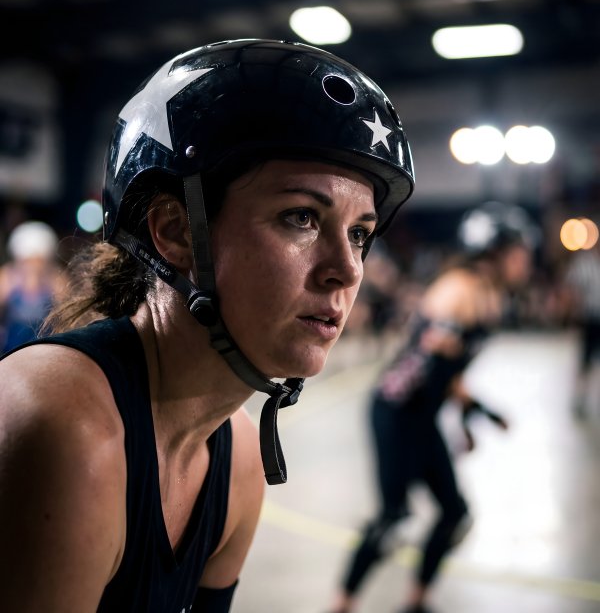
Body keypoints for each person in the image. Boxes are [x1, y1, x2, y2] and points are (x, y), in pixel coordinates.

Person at [0, 39, 414, 612]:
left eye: (359, 233)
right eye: (301, 217)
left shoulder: (239, 456)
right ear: (175, 232)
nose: (346, 270)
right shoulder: (61, 423)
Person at [327, 201, 535, 613]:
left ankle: (417, 601)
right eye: (518, 251)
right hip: (395, 411)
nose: (525, 260)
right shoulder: (458, 290)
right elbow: (418, 368)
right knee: (394, 521)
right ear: (492, 252)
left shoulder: (488, 295)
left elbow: (450, 375)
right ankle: (340, 606)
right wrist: (438, 344)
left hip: (421, 417)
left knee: (454, 514)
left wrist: (473, 414)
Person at [0, 220, 64, 354]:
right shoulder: (6, 277)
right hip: (10, 349)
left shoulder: (57, 280)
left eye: (38, 261)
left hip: (44, 349)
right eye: (28, 261)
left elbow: (67, 317)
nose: (33, 267)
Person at [563, 239, 600, 418]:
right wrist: (573, 313)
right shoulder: (585, 261)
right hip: (591, 318)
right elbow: (573, 288)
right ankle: (580, 398)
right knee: (585, 362)